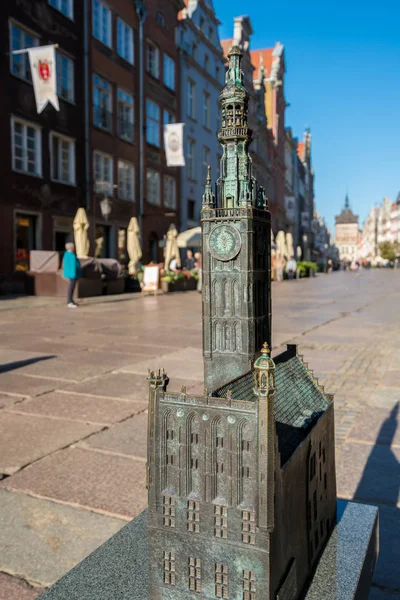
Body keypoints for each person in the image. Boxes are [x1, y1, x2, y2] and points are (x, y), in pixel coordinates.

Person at [62, 242, 81, 308]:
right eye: (73, 247)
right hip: (72, 274)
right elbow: (71, 266)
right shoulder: (69, 255)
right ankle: (69, 302)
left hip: (73, 274)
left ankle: (71, 300)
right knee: (71, 287)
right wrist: (73, 274)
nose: (74, 248)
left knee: (72, 287)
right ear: (71, 247)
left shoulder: (69, 254)